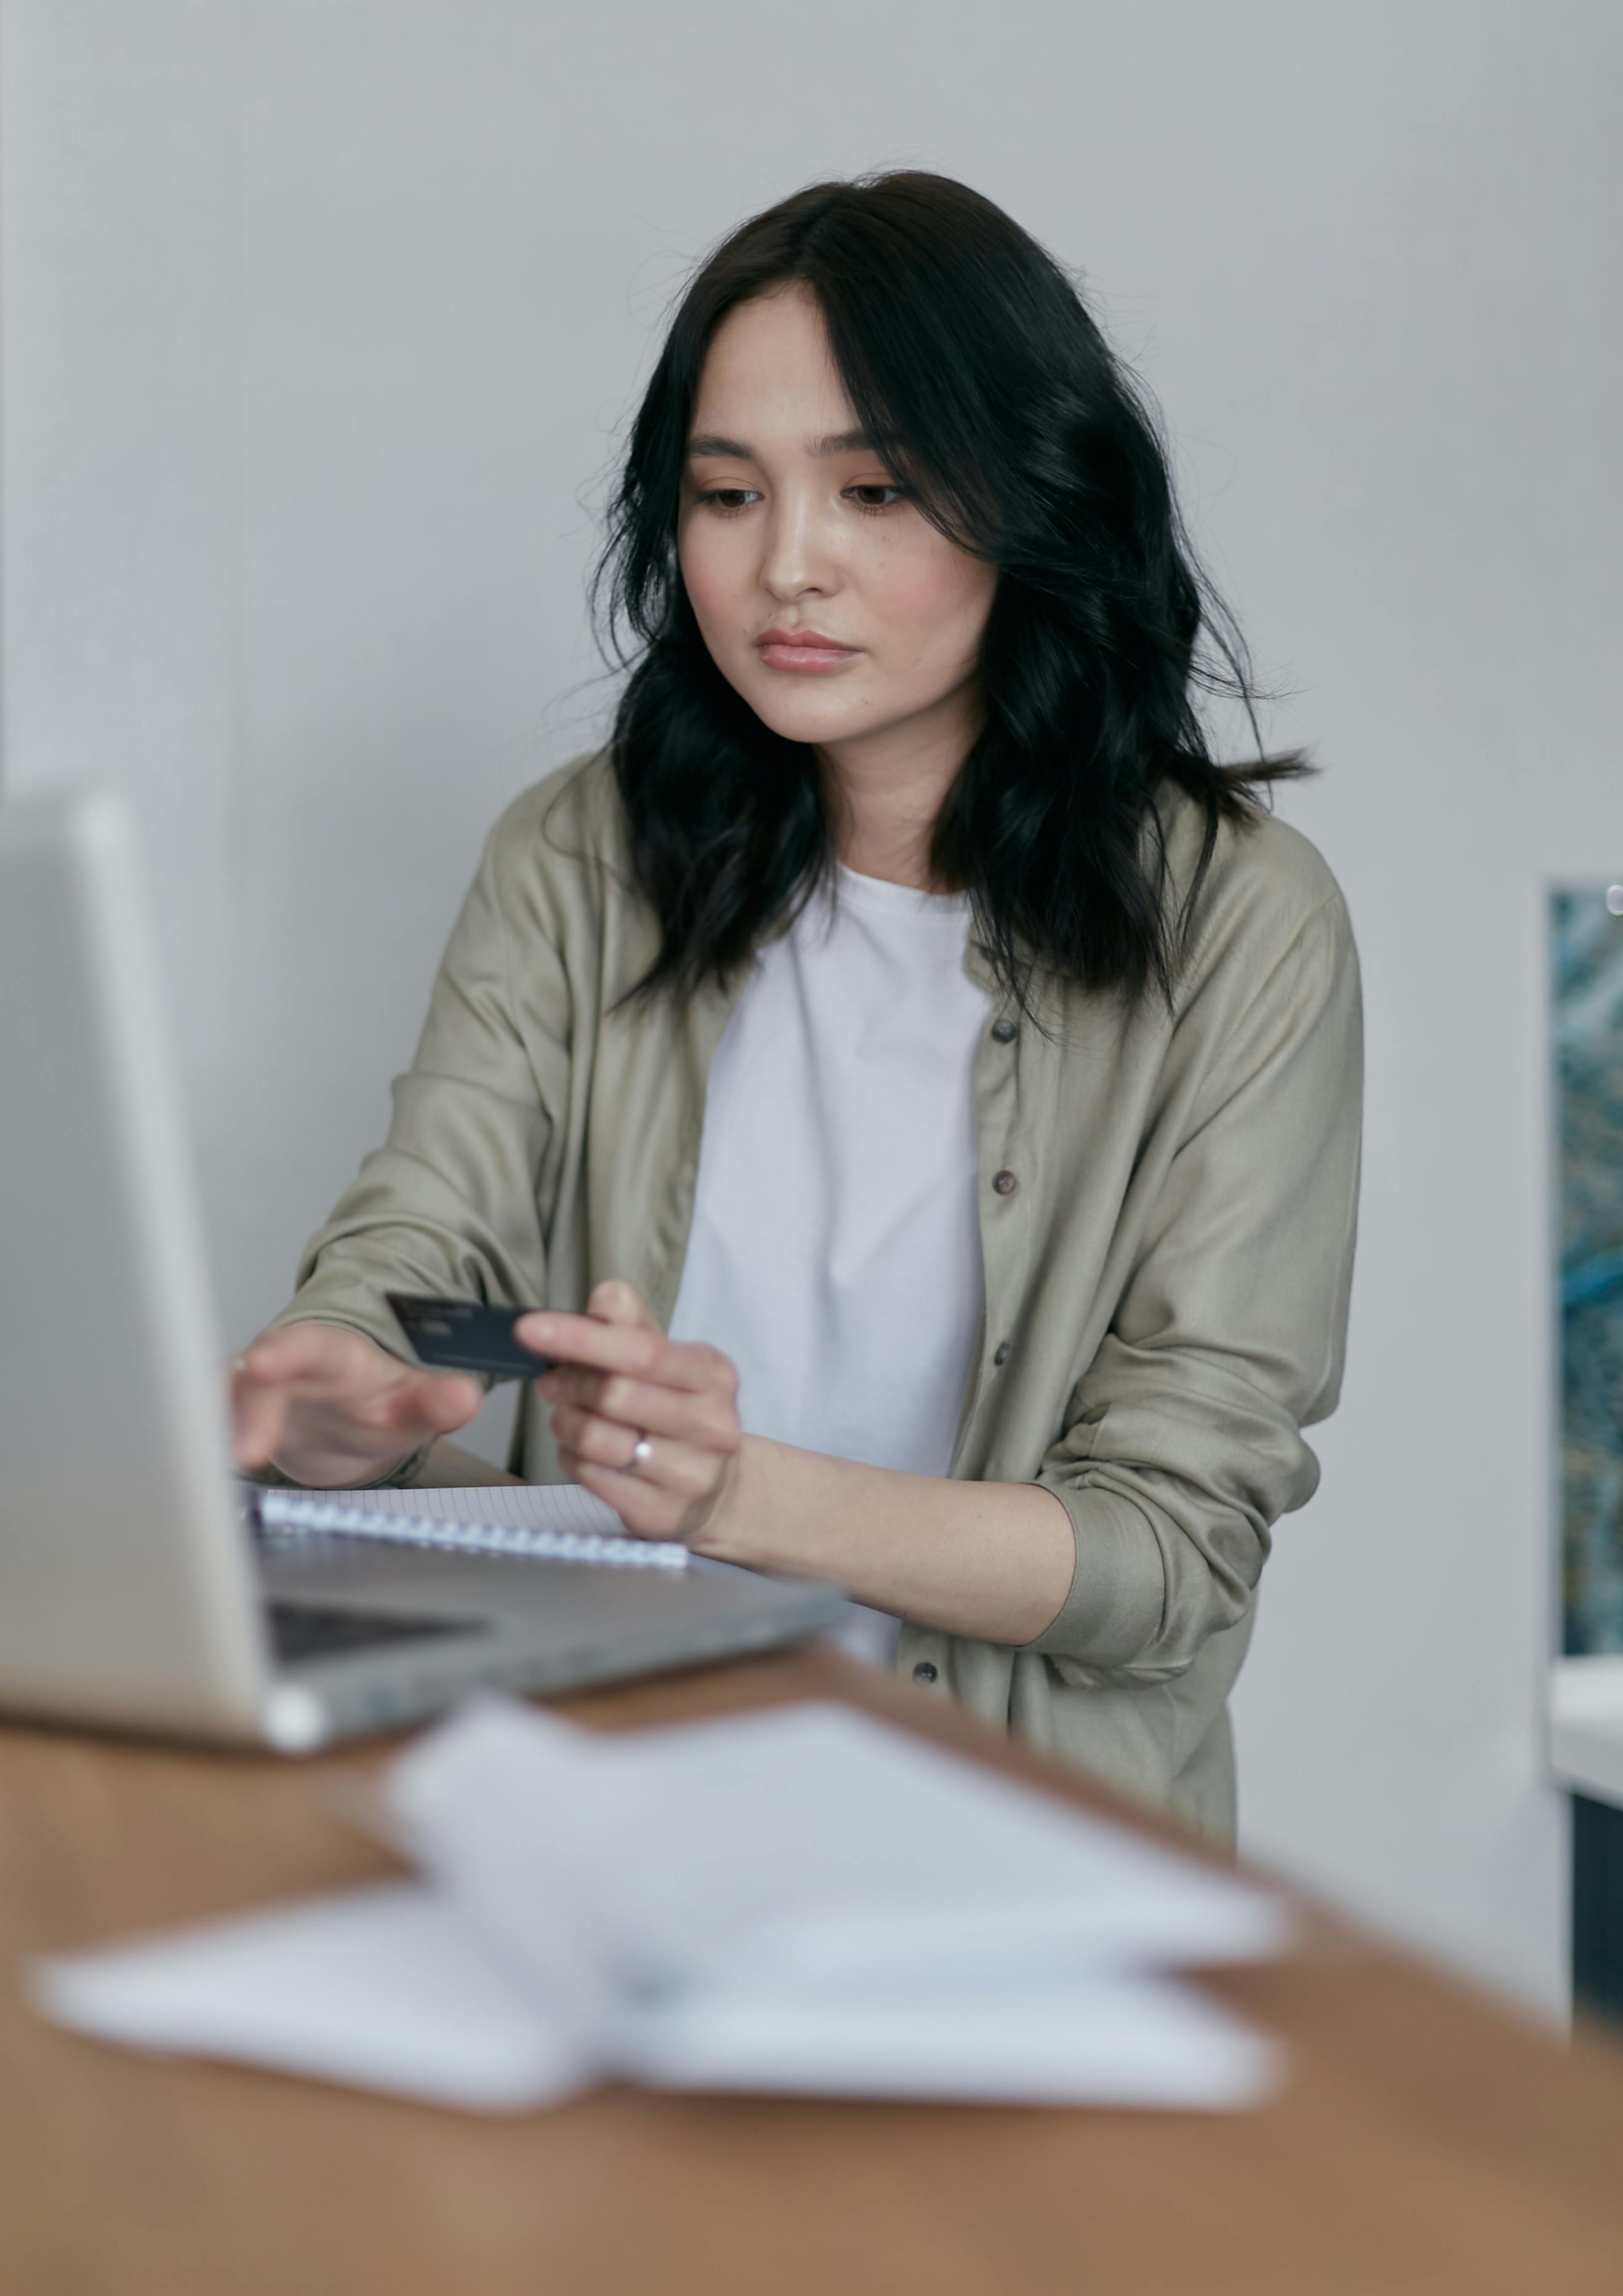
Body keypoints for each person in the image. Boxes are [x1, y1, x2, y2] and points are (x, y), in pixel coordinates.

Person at [231, 172, 1362, 1841]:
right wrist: (333, 1398)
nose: (788, 568)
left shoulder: (1241, 927)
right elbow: (413, 1264)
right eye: (726, 492)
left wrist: (737, 1494)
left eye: (876, 489)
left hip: (1016, 1856)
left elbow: (1169, 1556)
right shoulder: (580, 854)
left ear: (1028, 499)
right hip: (592, 1801)